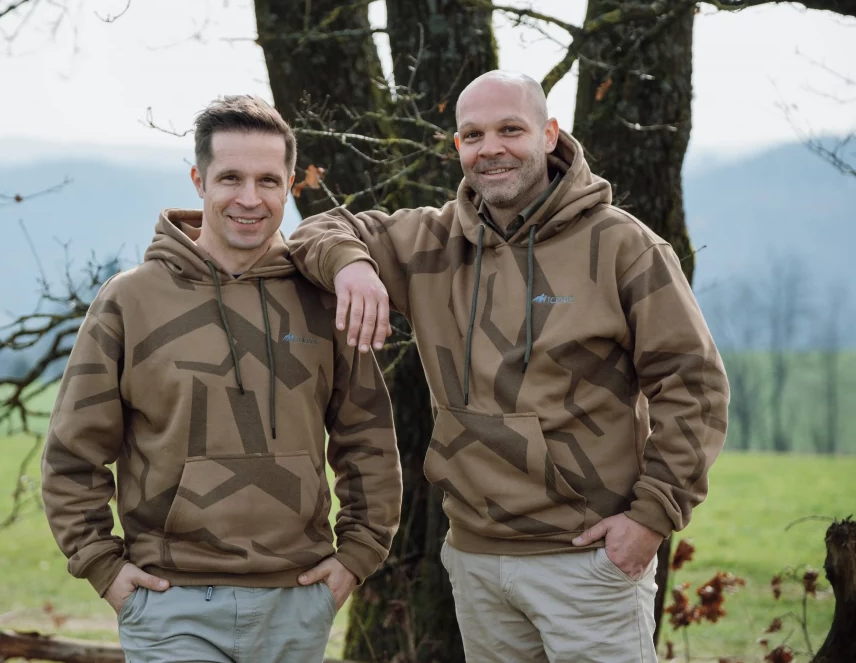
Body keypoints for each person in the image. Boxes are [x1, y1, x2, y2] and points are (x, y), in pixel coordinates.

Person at [287, 71, 730, 662]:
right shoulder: (430, 242)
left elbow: (694, 388)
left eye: (510, 130)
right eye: (473, 134)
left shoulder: (622, 247)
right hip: (477, 559)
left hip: (588, 562)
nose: (490, 148)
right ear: (458, 148)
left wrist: (651, 518)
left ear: (549, 135)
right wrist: (352, 267)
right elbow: (318, 230)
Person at [42, 95, 402, 663]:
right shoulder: (131, 299)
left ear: (289, 185)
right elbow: (72, 453)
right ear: (198, 180)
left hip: (297, 601)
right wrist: (104, 567)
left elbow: (369, 440)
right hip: (170, 604)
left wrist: (358, 554)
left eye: (268, 180)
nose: (250, 199)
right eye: (230, 177)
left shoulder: (322, 299)